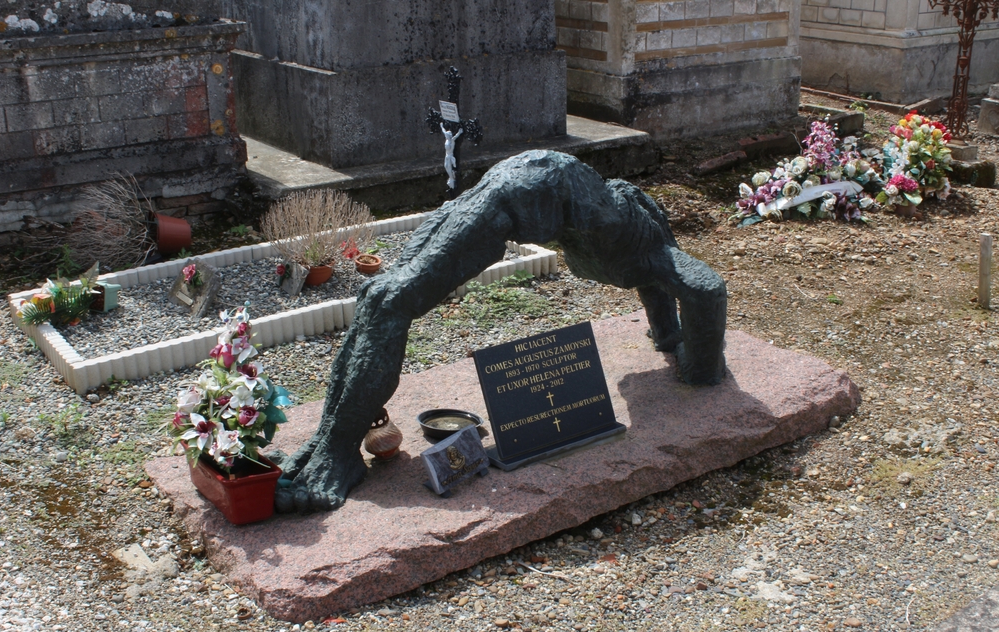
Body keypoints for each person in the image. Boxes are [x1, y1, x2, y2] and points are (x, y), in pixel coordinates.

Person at [270, 150, 727, 513]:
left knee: (379, 296)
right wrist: (702, 368)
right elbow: (707, 288)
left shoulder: (642, 248)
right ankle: (336, 447)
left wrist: (669, 339)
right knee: (389, 300)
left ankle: (331, 441)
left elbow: (667, 289)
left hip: (516, 177)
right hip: (525, 190)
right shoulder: (648, 248)